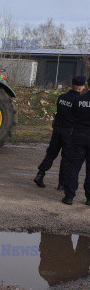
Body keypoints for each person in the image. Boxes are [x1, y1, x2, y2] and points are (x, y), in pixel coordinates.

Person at [34, 76, 86, 190]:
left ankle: (40, 174)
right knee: (66, 158)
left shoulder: (61, 97)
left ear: (72, 85)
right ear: (81, 87)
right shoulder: (79, 101)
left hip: (57, 129)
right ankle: (61, 183)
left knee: (51, 154)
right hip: (69, 132)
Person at [62, 77, 90, 205]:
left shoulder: (78, 100)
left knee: (73, 167)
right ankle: (89, 198)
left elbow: (72, 116)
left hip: (79, 136)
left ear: (88, 84)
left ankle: (69, 196)